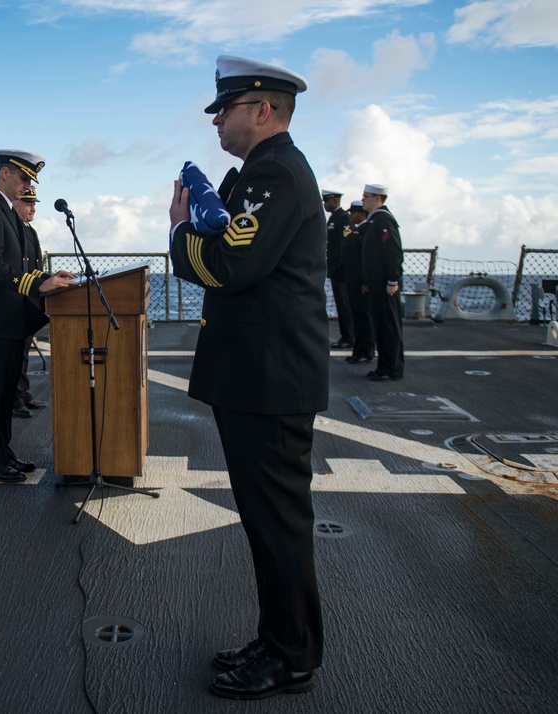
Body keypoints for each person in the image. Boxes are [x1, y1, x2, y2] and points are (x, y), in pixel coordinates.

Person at [168, 55, 328, 700]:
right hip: (260, 375)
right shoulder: (261, 172)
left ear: (262, 110)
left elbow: (232, 264)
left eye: (225, 110)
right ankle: (278, 637)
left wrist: (180, 227)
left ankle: (292, 656)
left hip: (272, 378)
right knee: (267, 522)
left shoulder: (277, 173)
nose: (217, 122)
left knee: (278, 523)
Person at [0, 150, 76, 483]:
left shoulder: (5, 212)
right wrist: (40, 284)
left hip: (11, 321)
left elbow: (22, 265)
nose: (28, 185)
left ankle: (3, 453)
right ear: (4, 173)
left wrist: (48, 277)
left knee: (4, 396)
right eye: (24, 177)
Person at [360, 183, 405, 381]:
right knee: (381, 325)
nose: (362, 200)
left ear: (377, 198)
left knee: (389, 326)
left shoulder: (383, 219)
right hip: (377, 284)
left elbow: (393, 251)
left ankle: (392, 368)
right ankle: (384, 367)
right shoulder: (374, 220)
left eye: (366, 196)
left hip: (386, 285)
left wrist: (392, 280)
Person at [12, 186, 48, 419]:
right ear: (15, 205)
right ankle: (15, 400)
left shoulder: (29, 230)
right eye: (28, 203)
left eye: (34, 203)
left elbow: (34, 268)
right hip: (16, 299)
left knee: (24, 352)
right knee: (15, 354)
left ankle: (22, 394)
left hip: (29, 298)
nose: (33, 207)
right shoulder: (15, 230)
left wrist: (49, 279)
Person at [342, 200, 375, 364]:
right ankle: (358, 350)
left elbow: (366, 258)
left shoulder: (366, 230)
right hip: (352, 281)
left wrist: (365, 281)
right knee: (357, 316)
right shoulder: (357, 230)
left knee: (364, 316)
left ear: (362, 214)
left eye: (353, 213)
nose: (350, 216)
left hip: (360, 282)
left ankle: (366, 351)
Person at [323, 189, 354, 349]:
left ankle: (349, 336)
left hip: (342, 270)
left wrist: (343, 266)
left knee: (344, 303)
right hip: (335, 269)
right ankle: (347, 335)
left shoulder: (343, 218)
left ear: (334, 201)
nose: (324, 204)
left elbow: (346, 242)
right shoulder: (334, 218)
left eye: (326, 201)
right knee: (340, 303)